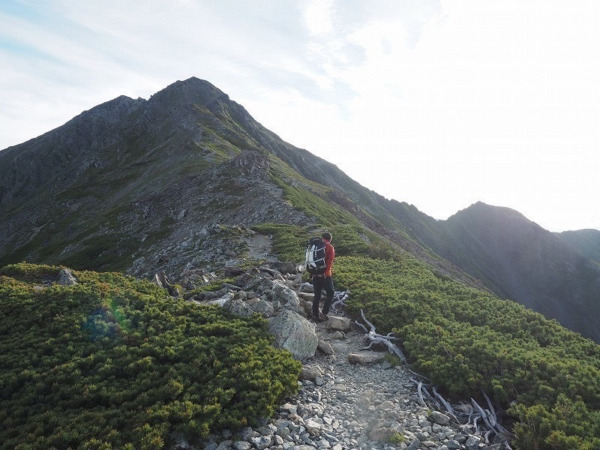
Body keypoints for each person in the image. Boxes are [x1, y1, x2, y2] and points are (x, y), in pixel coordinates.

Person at [312, 232, 335, 322]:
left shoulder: (315, 246)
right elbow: (329, 262)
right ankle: (324, 313)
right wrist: (325, 274)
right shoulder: (330, 248)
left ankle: (315, 314)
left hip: (315, 274)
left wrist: (313, 273)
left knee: (317, 295)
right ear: (330, 239)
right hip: (325, 275)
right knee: (331, 293)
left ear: (322, 238)